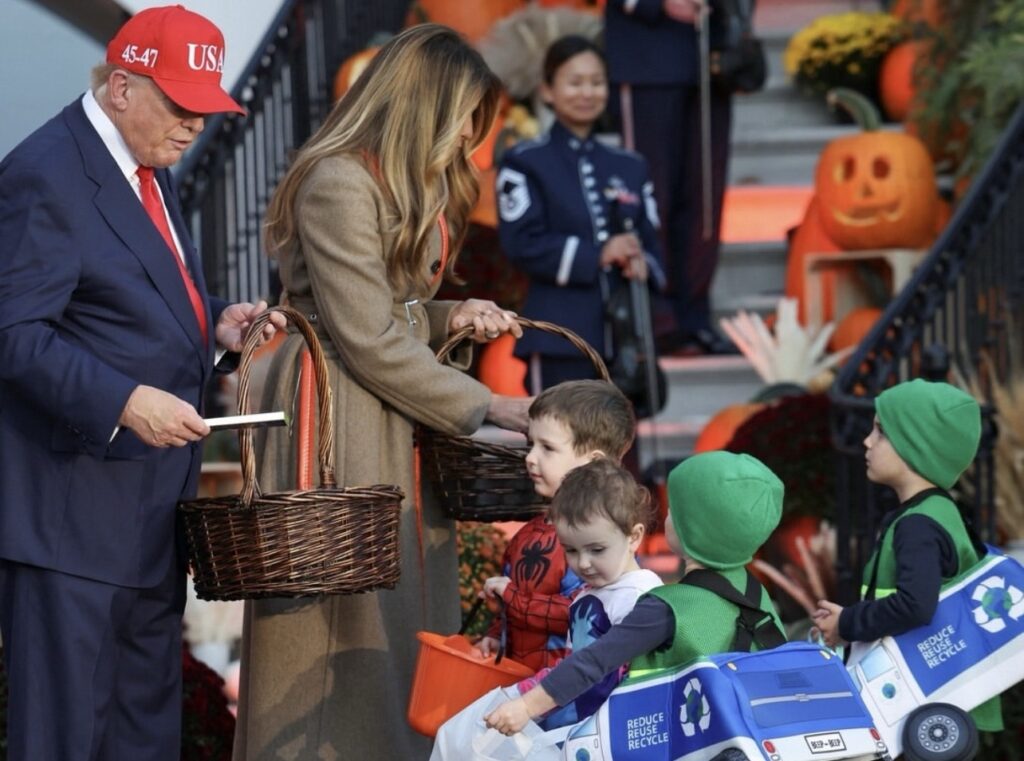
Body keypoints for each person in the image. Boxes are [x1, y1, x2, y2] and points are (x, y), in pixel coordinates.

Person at [231, 25, 533, 760]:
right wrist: (487, 404)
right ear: (423, 104)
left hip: (388, 404)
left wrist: (446, 314)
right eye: (465, 115)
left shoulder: (402, 181)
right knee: (341, 617)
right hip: (335, 412)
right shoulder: (338, 179)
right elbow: (361, 332)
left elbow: (381, 312)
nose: (471, 134)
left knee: (396, 616)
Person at [0, 6, 282, 759]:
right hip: (70, 521)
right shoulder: (44, 172)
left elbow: (133, 297)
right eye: (180, 103)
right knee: (65, 739)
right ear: (121, 87)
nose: (194, 125)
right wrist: (122, 399)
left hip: (144, 517)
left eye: (205, 107)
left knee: (141, 733)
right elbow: (12, 332)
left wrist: (216, 323)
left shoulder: (145, 164)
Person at [485, 451, 785, 734]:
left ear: (690, 529)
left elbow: (595, 662)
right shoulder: (756, 596)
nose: (666, 516)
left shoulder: (667, 607)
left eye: (673, 512)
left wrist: (526, 706)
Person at [430, 458, 660, 759]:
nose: (584, 563)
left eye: (597, 549)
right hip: (575, 732)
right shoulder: (586, 596)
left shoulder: (639, 594)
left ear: (634, 537)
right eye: (572, 550)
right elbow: (569, 663)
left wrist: (527, 702)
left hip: (614, 738)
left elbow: (601, 667)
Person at [813, 379, 1002, 732]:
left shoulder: (918, 526)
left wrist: (847, 624)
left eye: (880, 432)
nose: (867, 441)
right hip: (937, 701)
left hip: (927, 708)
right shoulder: (938, 512)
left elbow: (915, 605)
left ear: (916, 447)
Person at [496, 35, 664, 392]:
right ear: (546, 91)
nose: (587, 92)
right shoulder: (525, 162)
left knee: (623, 447)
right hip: (559, 335)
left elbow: (653, 242)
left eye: (597, 82)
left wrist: (642, 262)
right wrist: (599, 254)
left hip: (626, 340)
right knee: (562, 443)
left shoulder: (630, 166)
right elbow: (522, 243)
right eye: (574, 82)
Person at [475, 380, 637, 671]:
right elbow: (510, 603)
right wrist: (496, 635)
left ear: (592, 462)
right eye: (530, 444)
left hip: (571, 692)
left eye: (547, 448)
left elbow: (591, 609)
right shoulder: (527, 535)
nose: (530, 457)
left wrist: (512, 598)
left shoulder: (603, 540)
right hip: (520, 686)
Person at [604, 0, 736, 355]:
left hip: (713, 55)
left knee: (704, 201)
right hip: (647, 53)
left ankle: (694, 318)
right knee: (649, 197)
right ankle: (654, 320)